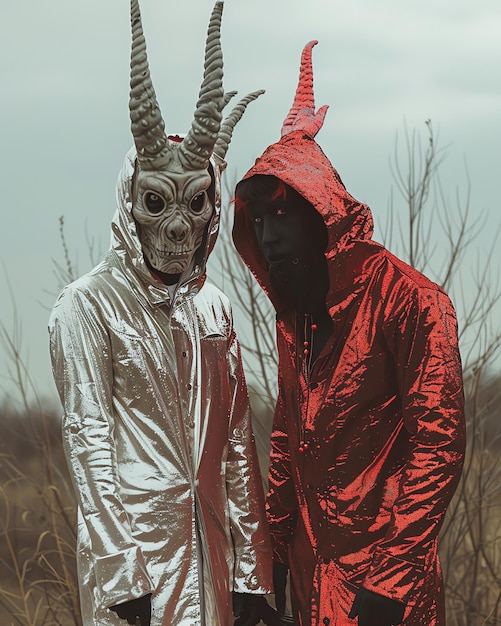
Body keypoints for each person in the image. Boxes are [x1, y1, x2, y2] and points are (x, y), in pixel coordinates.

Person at [48, 2, 272, 625]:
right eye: (157, 202)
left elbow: (234, 442)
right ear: (131, 202)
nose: (177, 227)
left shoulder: (215, 306)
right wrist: (123, 582)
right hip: (139, 583)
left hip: (216, 569)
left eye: (195, 205)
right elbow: (89, 443)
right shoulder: (85, 306)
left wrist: (252, 577)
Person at [232, 41, 466, 626]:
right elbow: (287, 444)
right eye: (258, 222)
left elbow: (436, 446)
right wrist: (271, 568)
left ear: (322, 212)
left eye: (283, 214)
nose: (269, 236)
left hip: (385, 598)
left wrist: (390, 584)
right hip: (314, 588)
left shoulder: (411, 302)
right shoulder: (299, 324)